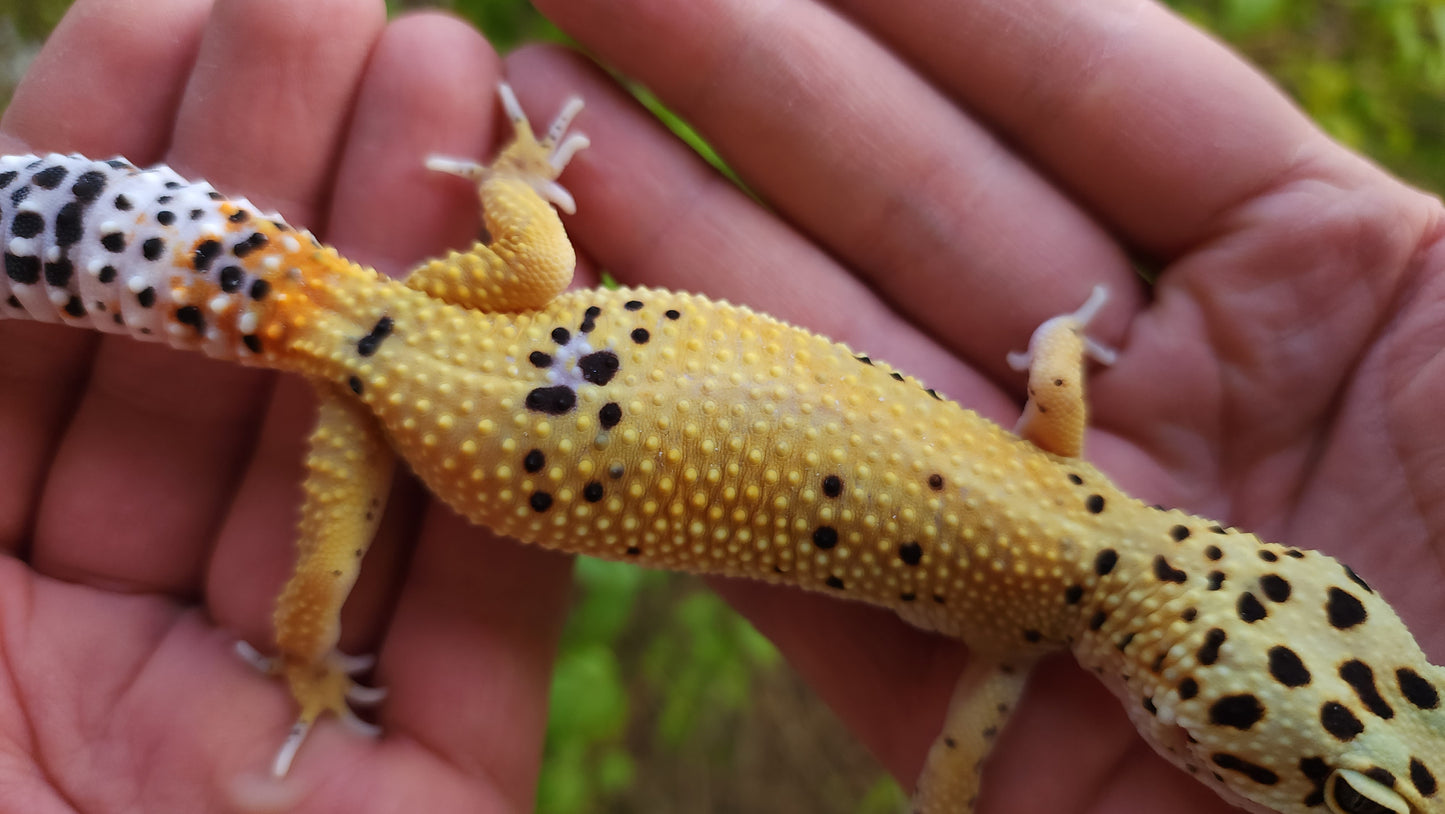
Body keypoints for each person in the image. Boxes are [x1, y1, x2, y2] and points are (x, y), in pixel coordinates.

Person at [0, 0, 1439, 811]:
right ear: (1180, 716)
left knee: (536, 253)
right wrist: (312, 671)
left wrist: (1063, 334)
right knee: (314, 598)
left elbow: (1055, 385)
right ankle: (302, 669)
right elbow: (952, 784)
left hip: (497, 313)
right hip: (433, 414)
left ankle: (508, 189)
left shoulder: (1074, 482)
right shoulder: (1015, 632)